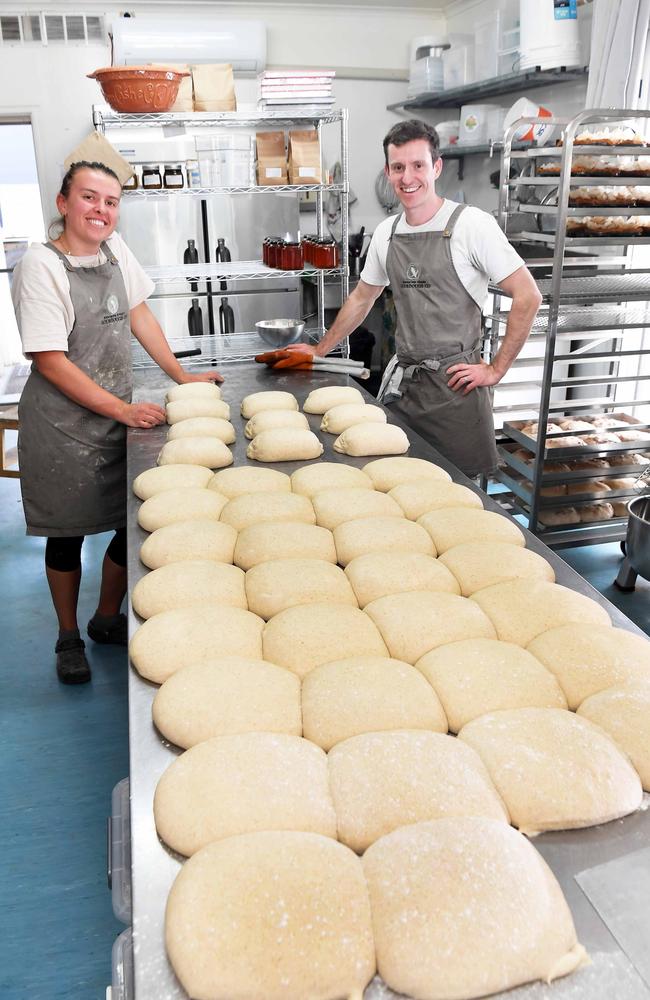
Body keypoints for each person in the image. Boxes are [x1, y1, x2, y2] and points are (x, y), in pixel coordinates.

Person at [12, 160, 223, 685]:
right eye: (88, 198)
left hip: (113, 416)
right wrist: (124, 409)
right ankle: (68, 637)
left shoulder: (113, 250)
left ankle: (107, 618)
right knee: (67, 535)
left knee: (127, 524)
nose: (100, 210)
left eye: (110, 201)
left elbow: (140, 314)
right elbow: (49, 360)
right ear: (63, 204)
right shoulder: (41, 266)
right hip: (62, 427)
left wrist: (182, 376)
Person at [287, 119, 542, 478]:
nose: (408, 178)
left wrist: (495, 369)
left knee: (459, 502)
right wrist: (319, 350)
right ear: (388, 172)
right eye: (398, 167)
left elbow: (528, 296)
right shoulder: (387, 233)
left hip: (456, 392)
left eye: (418, 165)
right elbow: (362, 297)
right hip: (404, 389)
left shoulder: (472, 225)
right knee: (394, 485)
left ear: (436, 167)